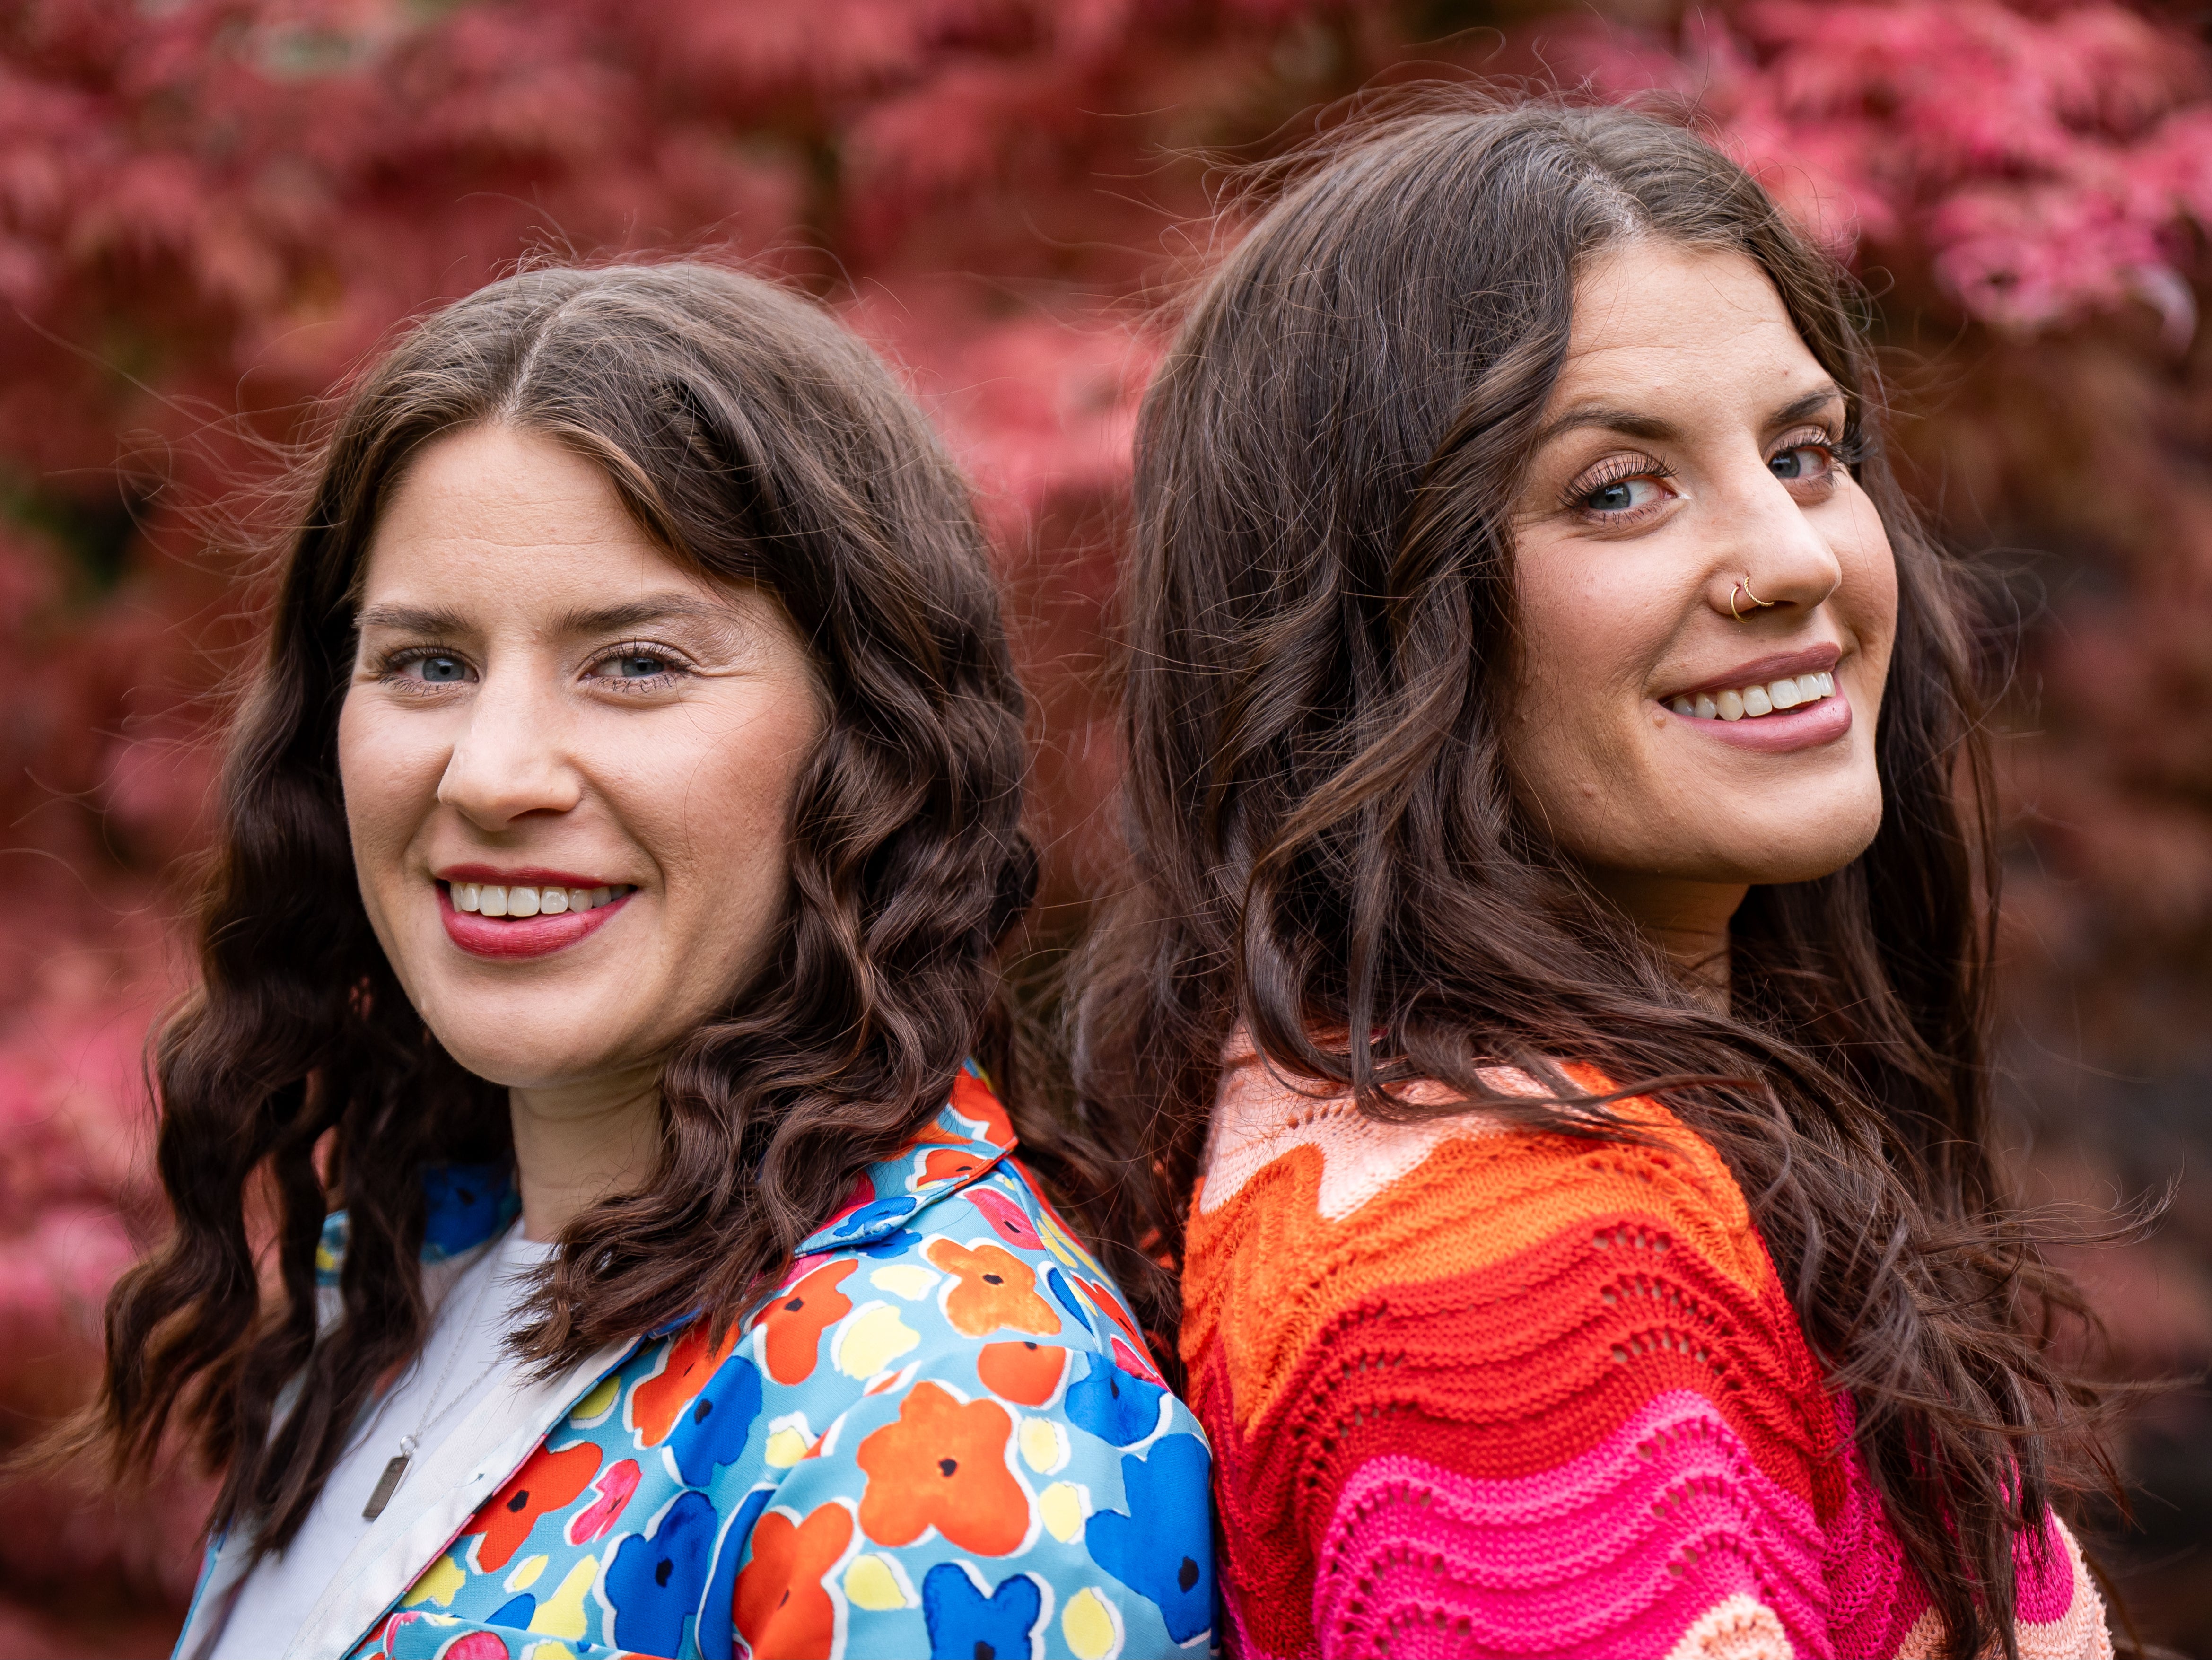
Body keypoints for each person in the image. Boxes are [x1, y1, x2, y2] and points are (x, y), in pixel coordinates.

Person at [1075, 98, 2115, 1659]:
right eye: (1617, 488)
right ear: (1374, 622)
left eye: (1805, 453)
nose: (1795, 557)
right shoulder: (1514, 1292)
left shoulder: (1456, 1109)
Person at [68, 263, 1212, 1660]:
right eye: (427, 663)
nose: (490, 774)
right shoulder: (413, 1259)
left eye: (636, 664)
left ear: (872, 744)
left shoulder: (941, 1412)